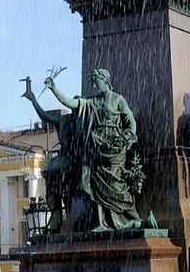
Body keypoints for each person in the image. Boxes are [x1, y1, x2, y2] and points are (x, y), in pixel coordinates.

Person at [44, 69, 142, 232]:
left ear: (106, 80)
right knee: (90, 184)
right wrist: (54, 89)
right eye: (93, 83)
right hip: (95, 149)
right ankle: (99, 222)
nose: (95, 86)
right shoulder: (92, 102)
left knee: (117, 187)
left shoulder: (118, 99)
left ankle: (129, 217)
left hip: (114, 149)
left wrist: (128, 136)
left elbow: (130, 119)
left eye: (97, 81)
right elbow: (71, 103)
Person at [21, 80, 79, 233]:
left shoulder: (86, 122)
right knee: (52, 176)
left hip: (79, 161)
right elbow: (44, 116)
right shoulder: (65, 120)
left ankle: (70, 218)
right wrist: (34, 100)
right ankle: (57, 218)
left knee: (69, 190)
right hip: (66, 159)